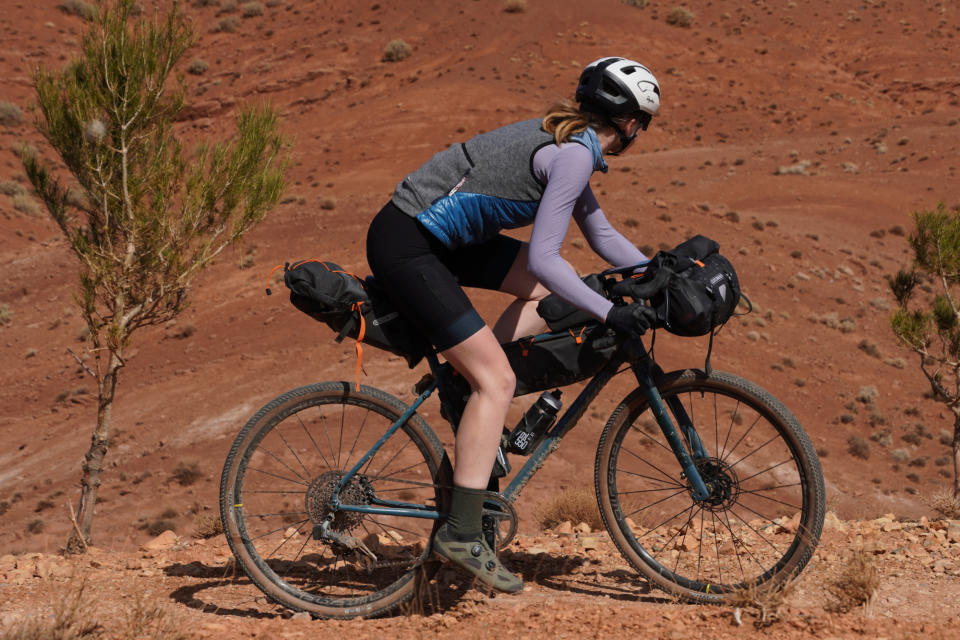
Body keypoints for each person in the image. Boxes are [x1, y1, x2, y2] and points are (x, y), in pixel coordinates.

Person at [365, 57, 661, 592]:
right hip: (410, 244)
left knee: (545, 298)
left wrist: (654, 272)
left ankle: (466, 377)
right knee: (498, 380)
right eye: (643, 123)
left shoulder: (567, 140)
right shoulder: (572, 155)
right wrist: (611, 311)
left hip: (435, 238)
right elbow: (548, 258)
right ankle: (460, 534)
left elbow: (601, 236)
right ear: (630, 123)